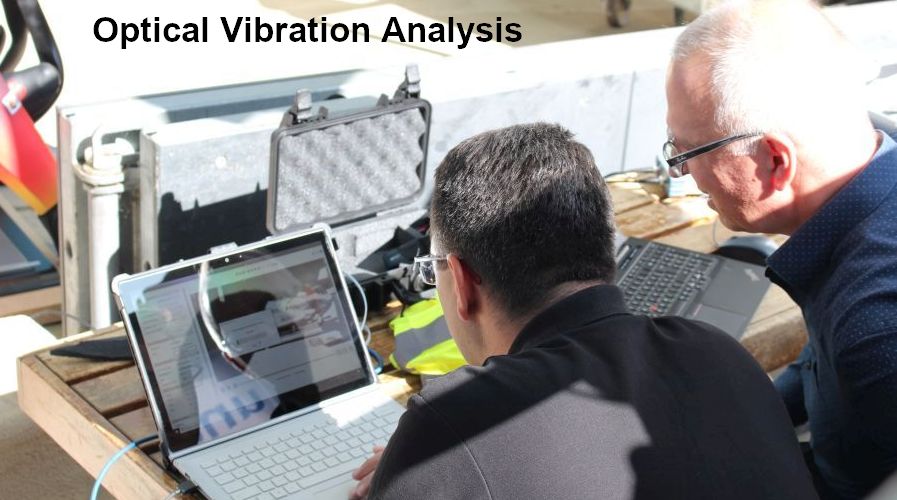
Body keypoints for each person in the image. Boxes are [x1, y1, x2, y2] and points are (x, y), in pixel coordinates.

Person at [349, 123, 816, 499]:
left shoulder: (450, 424)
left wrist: (426, 464)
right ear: (605, 249)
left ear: (462, 281)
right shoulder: (718, 353)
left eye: (434, 272)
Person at [665, 1, 897, 497]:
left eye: (686, 152)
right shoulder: (861, 194)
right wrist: (744, 419)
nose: (679, 171)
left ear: (774, 160)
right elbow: (819, 365)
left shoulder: (875, 329)